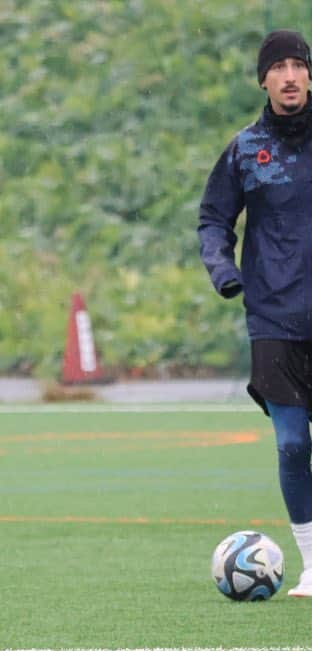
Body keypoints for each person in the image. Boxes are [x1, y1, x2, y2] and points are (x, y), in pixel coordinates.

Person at [199, 29, 312, 598]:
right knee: (293, 443)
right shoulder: (246, 150)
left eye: (299, 65)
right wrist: (223, 269)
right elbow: (213, 220)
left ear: (310, 76)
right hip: (273, 317)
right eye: (279, 67)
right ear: (264, 79)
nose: (290, 75)